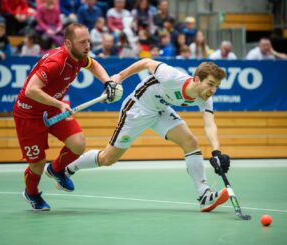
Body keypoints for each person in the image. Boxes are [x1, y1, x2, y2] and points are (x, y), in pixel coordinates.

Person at [66, 58, 231, 212]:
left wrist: (217, 152)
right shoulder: (172, 76)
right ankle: (68, 168)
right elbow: (146, 62)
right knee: (107, 159)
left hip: (160, 110)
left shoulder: (205, 97)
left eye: (216, 86)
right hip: (138, 108)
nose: (213, 90)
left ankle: (204, 194)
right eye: (210, 84)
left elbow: (210, 124)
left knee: (190, 142)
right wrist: (120, 77)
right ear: (196, 79)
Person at [13, 23, 122, 211]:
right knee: (37, 163)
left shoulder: (79, 57)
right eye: (82, 42)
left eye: (88, 41)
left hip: (53, 109)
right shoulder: (56, 63)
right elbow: (31, 90)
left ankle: (56, 169)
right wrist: (59, 103)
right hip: (29, 114)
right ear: (68, 44)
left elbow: (94, 65)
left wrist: (108, 82)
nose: (87, 46)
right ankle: (31, 193)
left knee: (78, 144)